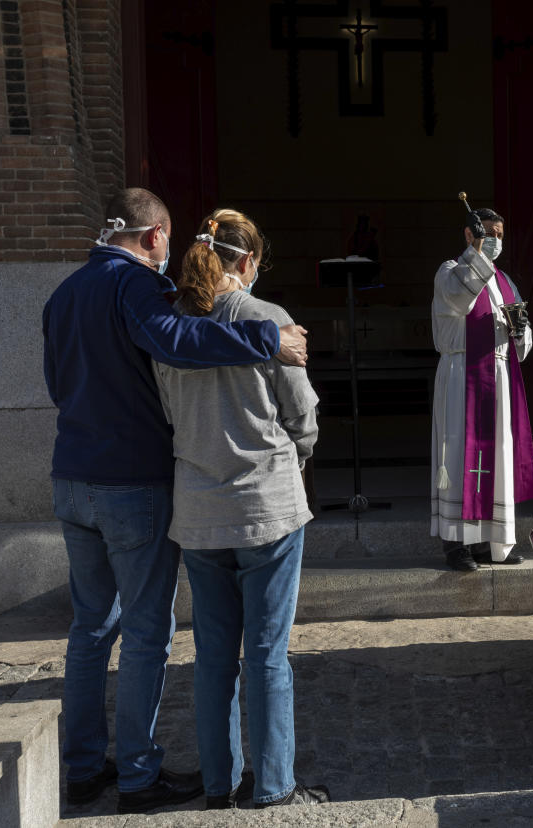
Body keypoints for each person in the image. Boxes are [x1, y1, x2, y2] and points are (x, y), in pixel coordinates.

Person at [42, 188, 310, 814]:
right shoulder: (138, 289)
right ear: (155, 235)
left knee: (89, 630)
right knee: (145, 634)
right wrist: (265, 338)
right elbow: (177, 342)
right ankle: (138, 776)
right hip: (135, 482)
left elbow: (58, 384)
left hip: (73, 475)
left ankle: (83, 768)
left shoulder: (62, 295)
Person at [153, 209, 329, 809]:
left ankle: (217, 783)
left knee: (212, 657)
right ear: (247, 263)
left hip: (200, 510)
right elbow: (301, 414)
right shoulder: (265, 318)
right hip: (265, 505)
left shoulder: (171, 327)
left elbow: (169, 415)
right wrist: (297, 457)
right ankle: (275, 785)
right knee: (266, 654)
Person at [430, 207, 533, 571]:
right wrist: (477, 254)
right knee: (460, 455)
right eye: (489, 232)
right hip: (463, 376)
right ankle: (456, 545)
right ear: (469, 234)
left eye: (500, 235)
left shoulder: (505, 281)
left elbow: (522, 333)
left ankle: (489, 544)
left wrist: (520, 331)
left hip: (498, 377)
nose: (496, 241)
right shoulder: (450, 271)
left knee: (497, 456)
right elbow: (458, 297)